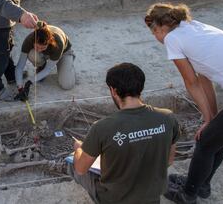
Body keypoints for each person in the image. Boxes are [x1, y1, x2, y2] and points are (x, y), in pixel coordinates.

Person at [145, 3, 223, 204]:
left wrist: (207, 120)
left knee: (205, 142)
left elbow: (191, 81)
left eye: (154, 33)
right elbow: (204, 78)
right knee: (214, 137)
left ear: (161, 28)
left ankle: (188, 194)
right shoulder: (193, 27)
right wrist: (210, 118)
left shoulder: (172, 38)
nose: (155, 38)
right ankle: (201, 185)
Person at [69, 63, 180, 204]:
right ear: (141, 87)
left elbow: (80, 169)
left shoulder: (102, 128)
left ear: (113, 91)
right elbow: (169, 161)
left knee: (73, 164)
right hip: (151, 195)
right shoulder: (168, 118)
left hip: (114, 199)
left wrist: (78, 148)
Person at [15, 21, 75, 101]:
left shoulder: (57, 43)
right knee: (33, 54)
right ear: (33, 41)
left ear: (49, 42)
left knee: (67, 85)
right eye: (37, 47)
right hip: (48, 54)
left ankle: (68, 65)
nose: (39, 50)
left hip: (63, 52)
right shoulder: (29, 40)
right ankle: (41, 66)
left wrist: (29, 82)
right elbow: (19, 67)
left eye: (42, 47)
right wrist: (20, 88)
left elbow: (48, 69)